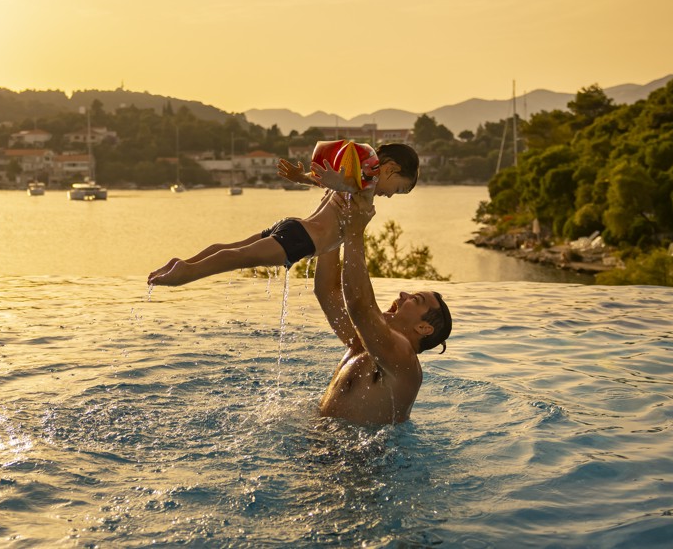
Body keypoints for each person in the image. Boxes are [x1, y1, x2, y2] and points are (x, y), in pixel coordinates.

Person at [146, 142, 420, 286]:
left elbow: (332, 182)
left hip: (293, 227)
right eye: (400, 188)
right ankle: (187, 271)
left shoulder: (359, 177)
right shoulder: (367, 185)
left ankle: (181, 263)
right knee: (240, 257)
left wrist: (302, 177)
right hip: (301, 240)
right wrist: (336, 182)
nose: (393, 195)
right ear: (390, 168)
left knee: (234, 248)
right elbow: (346, 185)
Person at [315, 193, 451, 424]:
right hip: (323, 448)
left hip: (359, 459)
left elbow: (360, 306)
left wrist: (354, 231)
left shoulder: (403, 358)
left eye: (414, 299)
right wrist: (334, 213)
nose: (402, 295)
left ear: (423, 327)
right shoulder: (364, 342)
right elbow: (327, 291)